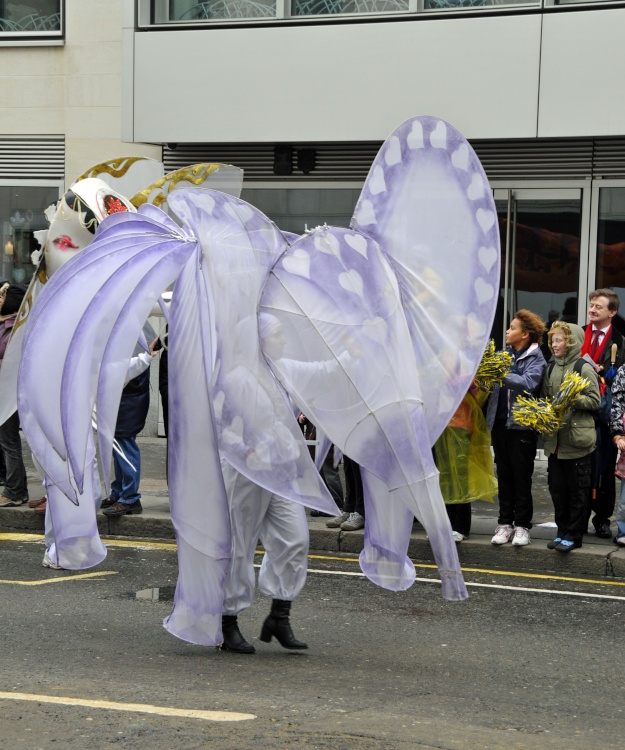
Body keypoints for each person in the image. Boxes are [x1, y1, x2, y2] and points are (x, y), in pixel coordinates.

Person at [487, 310, 547, 546]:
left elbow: (528, 384)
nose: (508, 331)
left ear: (525, 334)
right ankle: (504, 524)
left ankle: (522, 526)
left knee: (521, 477)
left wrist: (500, 373)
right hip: (500, 424)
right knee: (503, 475)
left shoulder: (537, 358)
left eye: (512, 328)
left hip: (522, 427)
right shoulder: (503, 355)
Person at [541, 322, 601, 552]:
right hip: (556, 442)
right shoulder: (550, 367)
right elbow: (547, 398)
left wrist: (572, 398)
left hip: (577, 442)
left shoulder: (583, 367)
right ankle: (561, 531)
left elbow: (596, 401)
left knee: (577, 491)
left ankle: (574, 536)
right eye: (552, 340)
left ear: (571, 341)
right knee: (558, 490)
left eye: (559, 340)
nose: (554, 345)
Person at [582, 288, 625, 538]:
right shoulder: (579, 334)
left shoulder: (620, 339)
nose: (592, 309)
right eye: (591, 305)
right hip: (581, 412)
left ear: (612, 312)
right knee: (582, 468)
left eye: (598, 306)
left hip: (607, 413)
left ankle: (602, 519)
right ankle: (580, 517)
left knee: (605, 470)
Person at [100, 341, 160, 517]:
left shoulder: (130, 330)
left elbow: (126, 366)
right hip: (125, 397)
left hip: (128, 399)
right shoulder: (130, 328)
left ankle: (130, 498)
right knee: (119, 447)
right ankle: (120, 493)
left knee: (125, 447)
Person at [434, 385, 497, 542]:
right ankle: (446, 525)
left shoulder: (463, 369)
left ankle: (461, 526)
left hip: (459, 425)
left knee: (460, 476)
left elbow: (476, 389)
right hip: (441, 425)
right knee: (445, 477)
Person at [0, 284, 29, 507]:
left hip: (9, 393)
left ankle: (16, 491)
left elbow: (11, 360)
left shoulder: (15, 329)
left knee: (9, 441)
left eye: (3, 295)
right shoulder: (3, 325)